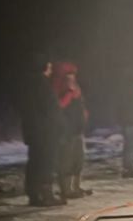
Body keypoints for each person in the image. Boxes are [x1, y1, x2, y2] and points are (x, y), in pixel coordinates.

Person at [19, 56, 66, 206]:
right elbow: (50, 110)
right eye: (50, 67)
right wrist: (58, 126)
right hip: (45, 132)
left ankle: (34, 193)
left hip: (34, 131)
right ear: (46, 67)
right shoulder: (42, 84)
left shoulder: (27, 85)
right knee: (46, 162)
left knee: (34, 161)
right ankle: (45, 194)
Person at [51, 60, 91, 198]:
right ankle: (66, 189)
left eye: (73, 75)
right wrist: (69, 93)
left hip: (78, 128)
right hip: (66, 130)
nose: (72, 78)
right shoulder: (58, 86)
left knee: (78, 159)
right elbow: (60, 105)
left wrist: (84, 114)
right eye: (69, 75)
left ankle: (76, 186)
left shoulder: (75, 87)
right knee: (66, 160)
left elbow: (80, 104)